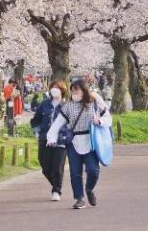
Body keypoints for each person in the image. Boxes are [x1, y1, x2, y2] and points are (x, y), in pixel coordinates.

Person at [46, 79, 111, 209]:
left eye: (76, 90)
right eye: (72, 90)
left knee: (93, 170)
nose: (73, 92)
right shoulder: (68, 106)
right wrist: (51, 137)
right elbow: (57, 123)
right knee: (75, 172)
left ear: (84, 90)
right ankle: (79, 199)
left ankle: (89, 189)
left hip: (92, 141)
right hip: (74, 142)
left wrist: (99, 121)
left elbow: (108, 118)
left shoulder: (95, 102)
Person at [30, 80, 68, 200]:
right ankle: (56, 184)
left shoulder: (66, 106)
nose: (54, 89)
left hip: (61, 140)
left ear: (62, 90)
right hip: (44, 138)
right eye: (53, 87)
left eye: (57, 87)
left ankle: (56, 190)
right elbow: (36, 120)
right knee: (45, 165)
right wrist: (37, 132)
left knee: (57, 166)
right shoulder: (44, 104)